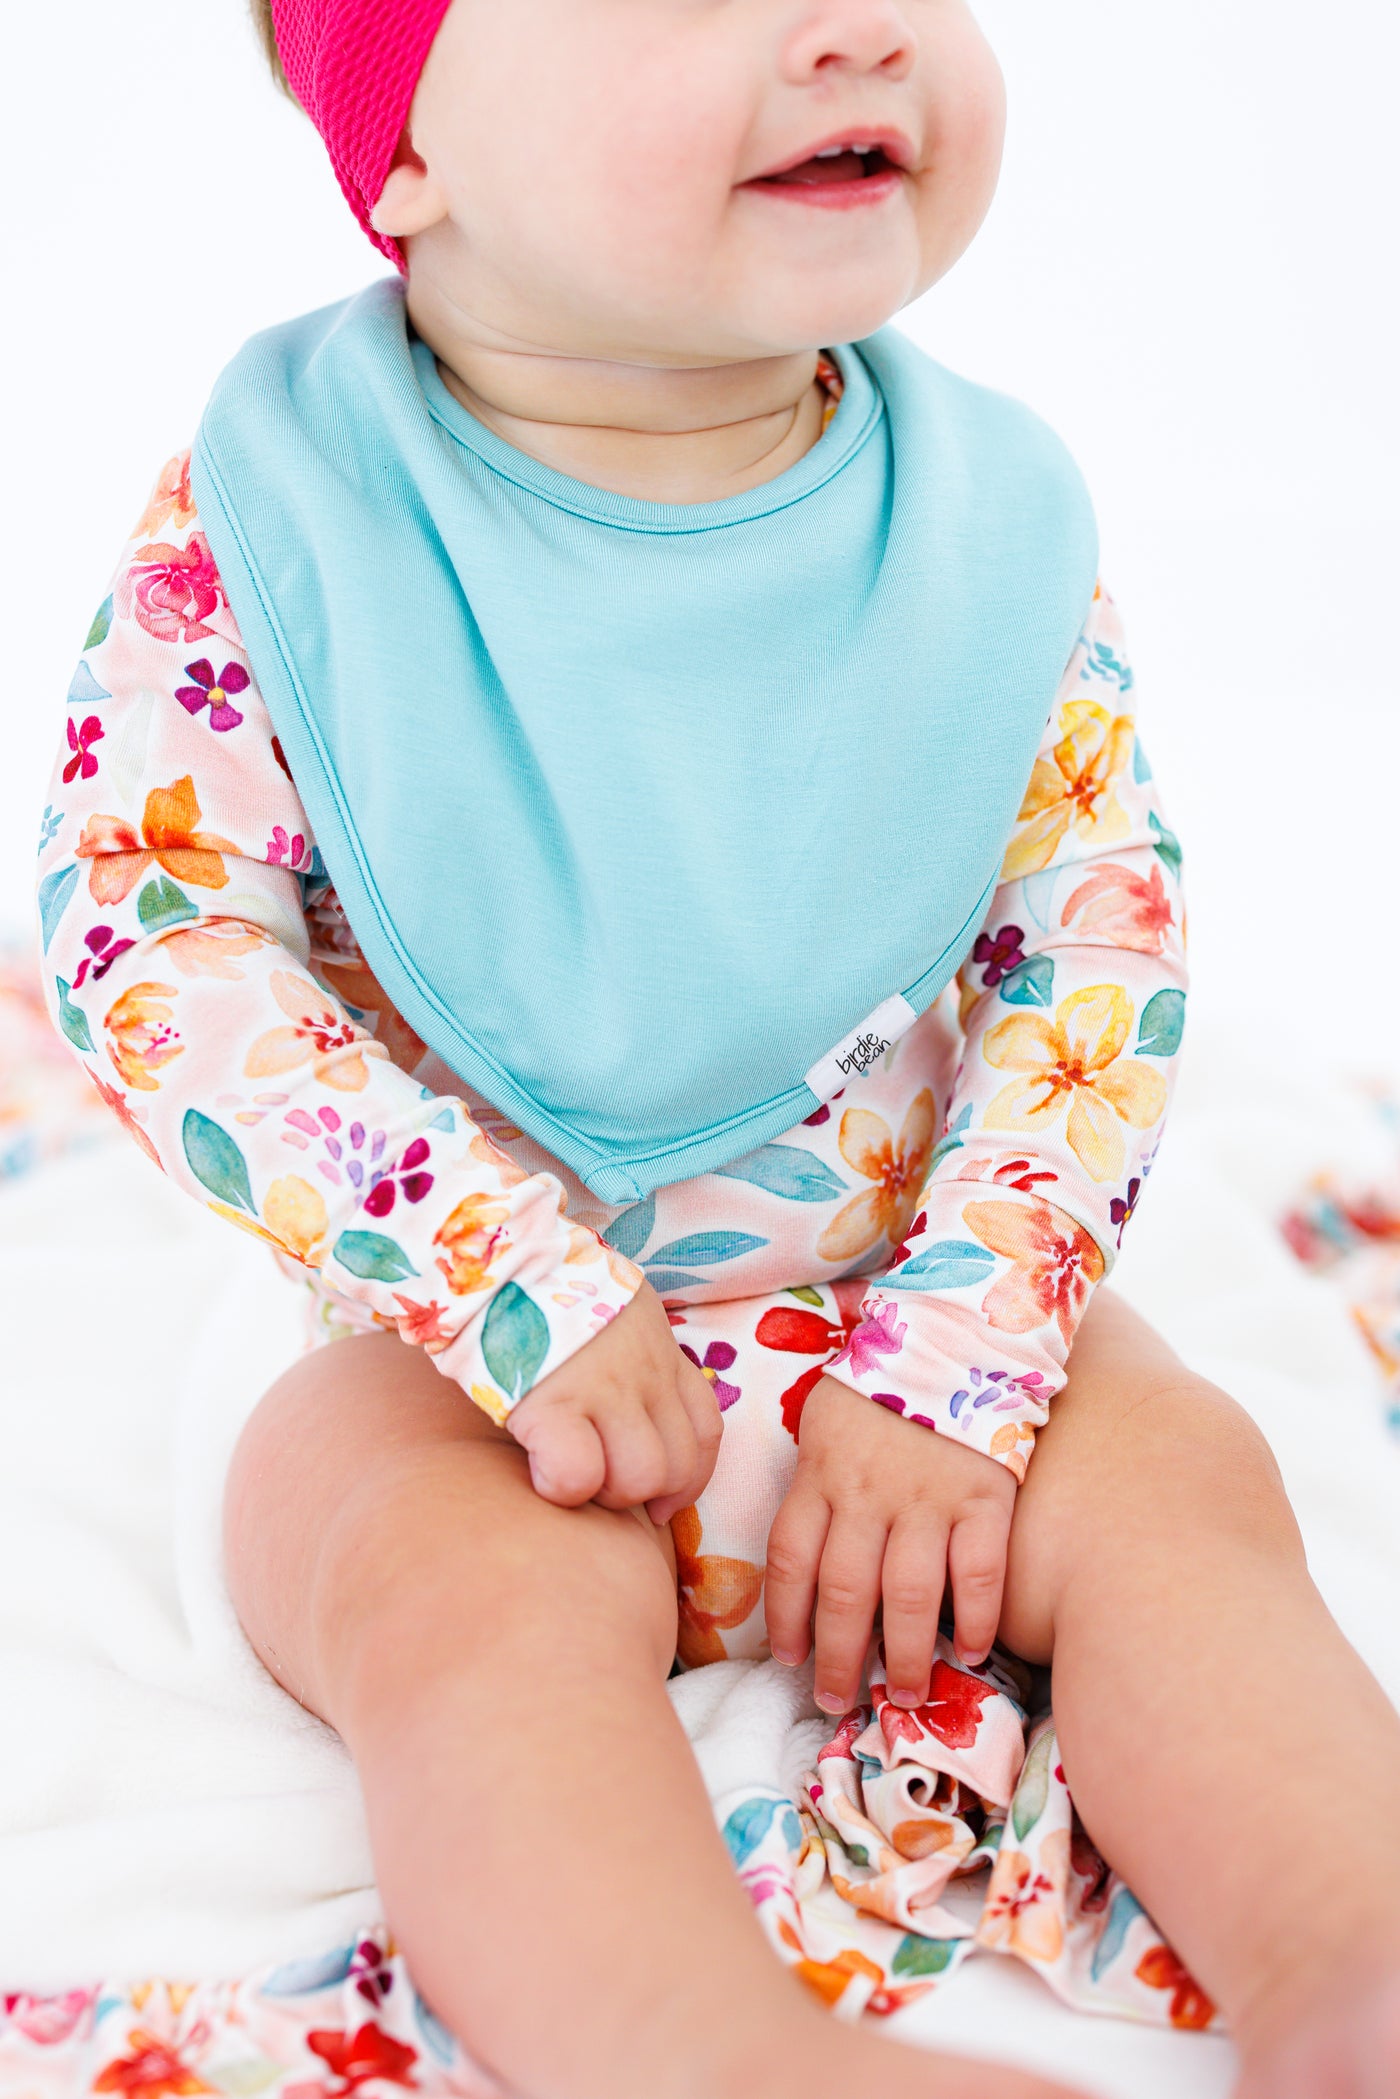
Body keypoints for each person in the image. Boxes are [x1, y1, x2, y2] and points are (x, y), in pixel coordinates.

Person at [37, 2, 1400, 2093]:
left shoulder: (979, 533)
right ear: (403, 151)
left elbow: (1091, 946)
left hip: (910, 1309)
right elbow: (154, 944)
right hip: (455, 1375)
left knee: (1181, 1489)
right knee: (437, 1604)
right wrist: (507, 1286)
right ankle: (703, 2049)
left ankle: (1349, 1954)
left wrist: (968, 1340)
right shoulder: (289, 536)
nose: (851, 28)